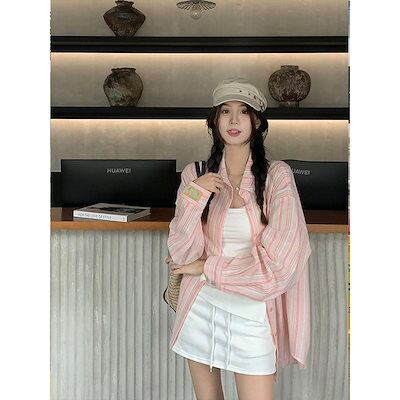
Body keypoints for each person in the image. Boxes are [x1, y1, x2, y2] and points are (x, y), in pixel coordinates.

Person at [165, 77, 312, 400]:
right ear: (214, 121)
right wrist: (195, 194)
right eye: (225, 111)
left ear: (256, 122)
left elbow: (280, 265)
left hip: (253, 311)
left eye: (243, 112)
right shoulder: (195, 174)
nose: (233, 120)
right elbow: (182, 253)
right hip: (201, 306)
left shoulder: (276, 176)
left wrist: (207, 267)